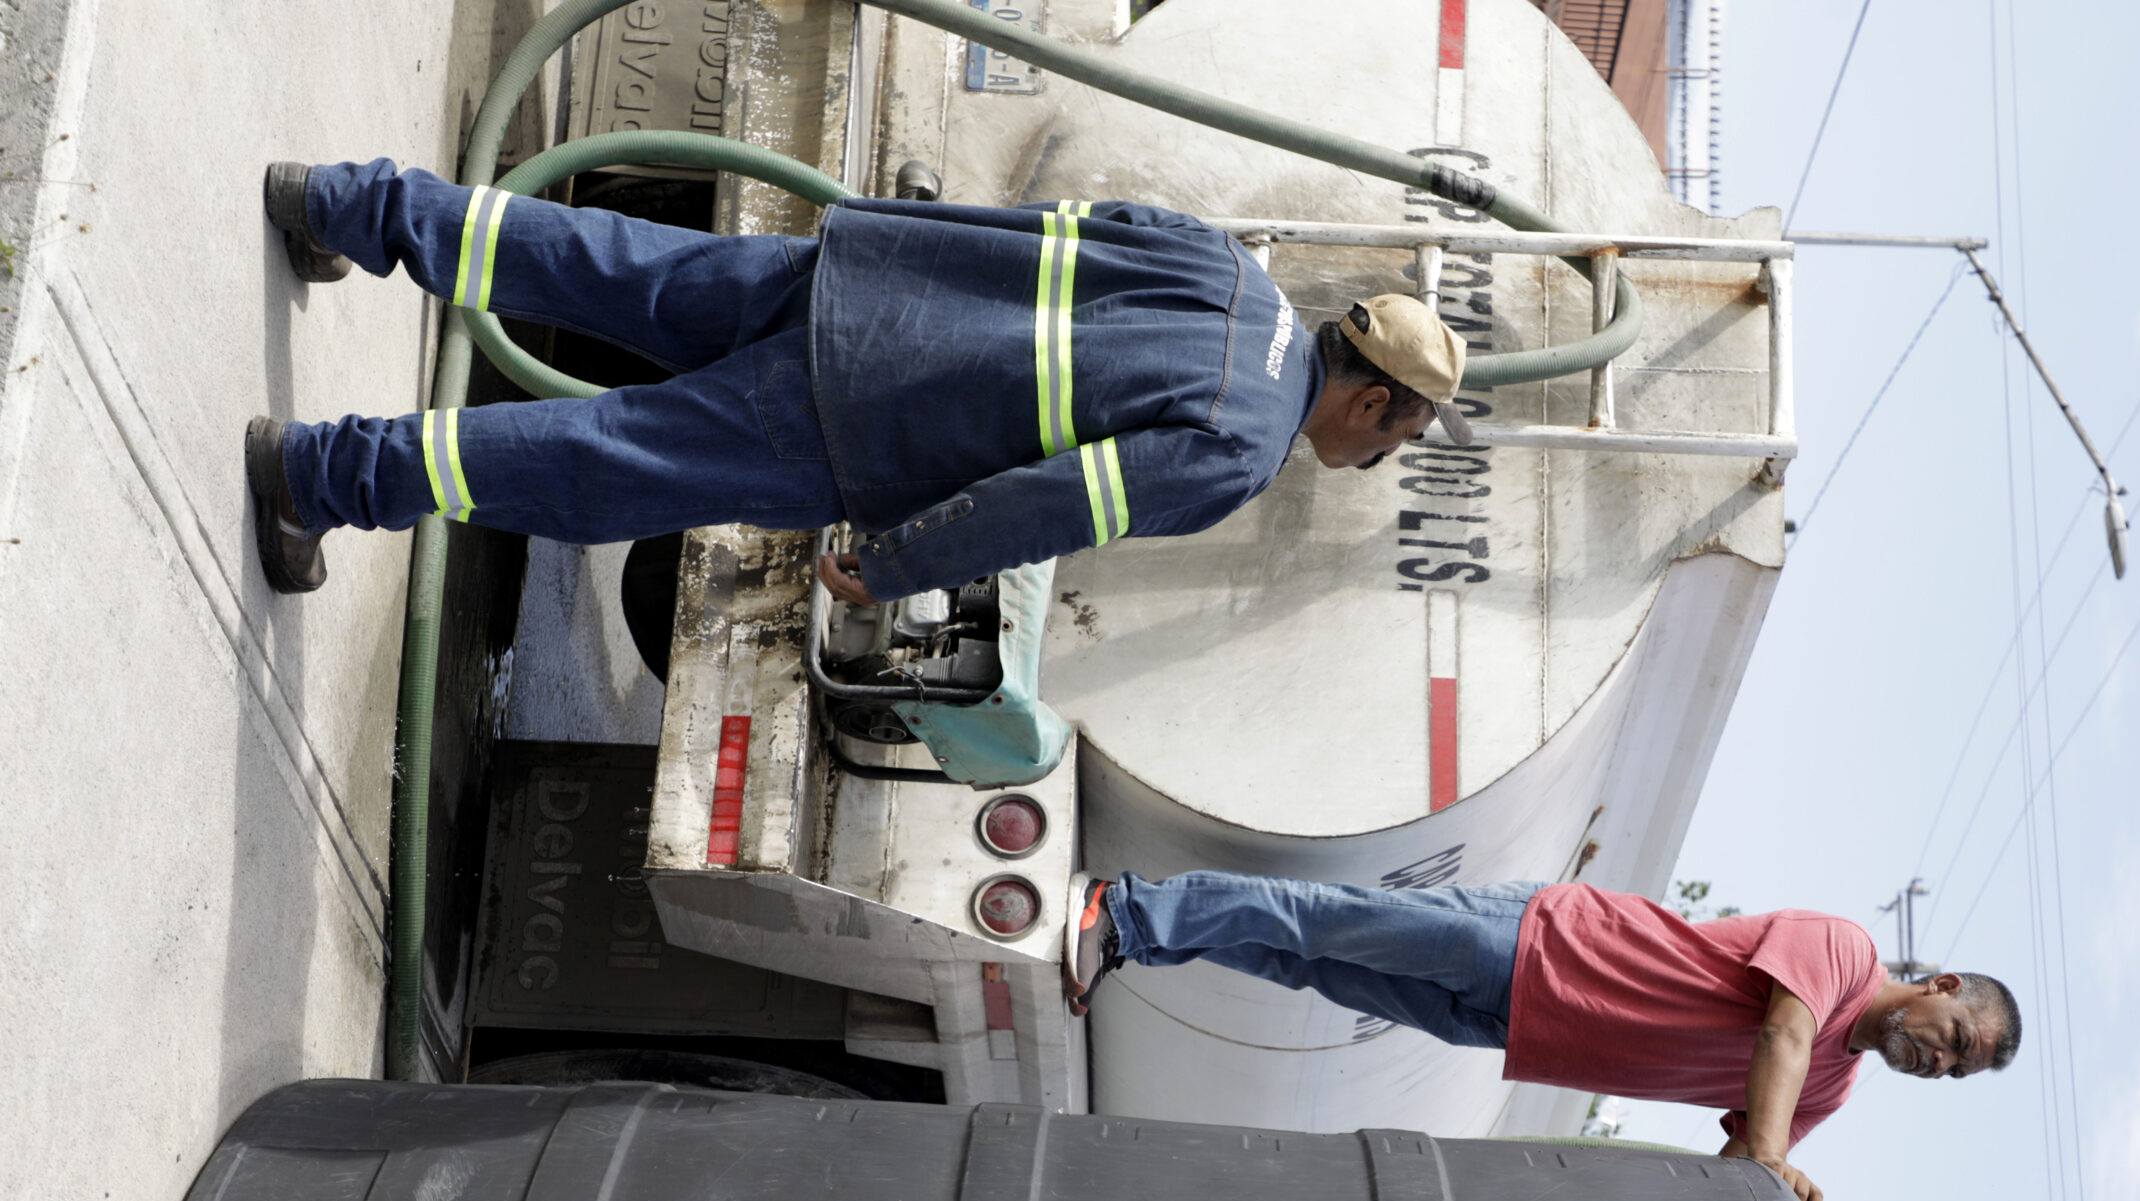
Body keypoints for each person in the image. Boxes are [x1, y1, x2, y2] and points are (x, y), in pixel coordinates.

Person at [243, 159, 1474, 593]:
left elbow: (1040, 224)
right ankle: (318, 477)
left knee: (598, 265)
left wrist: (887, 240)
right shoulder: (1238, 454)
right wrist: (892, 566)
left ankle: (345, 205)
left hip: (857, 283)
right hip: (859, 423)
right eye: (1395, 440)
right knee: (602, 466)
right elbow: (1049, 505)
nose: (1374, 461)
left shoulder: (1228, 268)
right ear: (1370, 399)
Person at [1064, 872, 2022, 1201]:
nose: (1941, 1061)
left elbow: (1742, 1164)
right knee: (1326, 922)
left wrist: (1775, 1194)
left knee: (1315, 967)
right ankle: (1132, 904)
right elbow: (1782, 1028)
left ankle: (1140, 939)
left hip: (1523, 1028)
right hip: (1538, 943)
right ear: (1939, 986)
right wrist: (1774, 1154)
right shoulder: (1844, 953)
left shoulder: (1833, 1092)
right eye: (1956, 1038)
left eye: (1956, 1070)